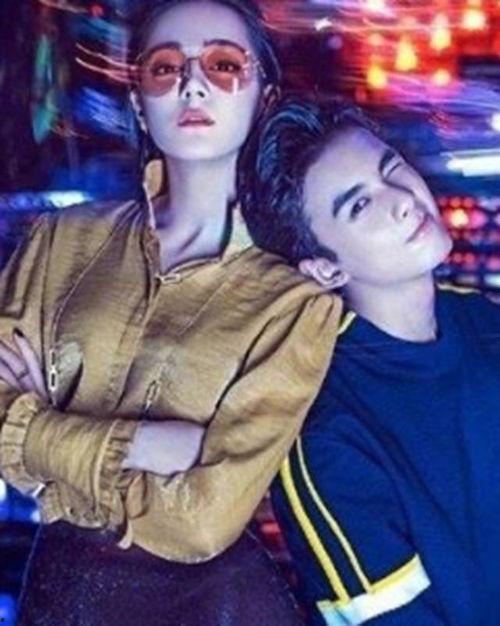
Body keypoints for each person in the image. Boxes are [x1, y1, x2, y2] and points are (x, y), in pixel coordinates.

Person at [0, 6, 341, 624]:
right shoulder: (60, 242)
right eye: (164, 68)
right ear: (138, 104)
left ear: (265, 98)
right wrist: (150, 445)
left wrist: (39, 434)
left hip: (216, 606)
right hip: (56, 595)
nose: (193, 84)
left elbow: (204, 520)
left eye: (223, 64)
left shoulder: (294, 299)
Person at [242, 96, 500, 626]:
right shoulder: (324, 428)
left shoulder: (481, 320)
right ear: (325, 269)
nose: (403, 200)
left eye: (391, 169)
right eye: (360, 205)